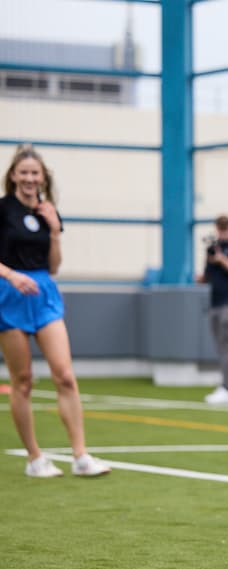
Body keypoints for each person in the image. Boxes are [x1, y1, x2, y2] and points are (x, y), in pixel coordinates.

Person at [0, 145, 110, 478]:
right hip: (9, 293)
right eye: (24, 172)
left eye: (36, 173)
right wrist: (11, 275)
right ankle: (35, 458)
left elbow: (55, 266)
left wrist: (55, 231)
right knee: (23, 381)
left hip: (44, 292)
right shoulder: (3, 209)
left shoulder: (50, 211)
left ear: (43, 177)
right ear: (14, 176)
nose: (30, 178)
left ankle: (80, 456)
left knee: (64, 374)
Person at [195, 214, 228, 405]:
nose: (222, 230)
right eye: (220, 227)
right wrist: (201, 276)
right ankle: (227, 386)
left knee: (227, 347)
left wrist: (222, 259)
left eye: (225, 227)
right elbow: (207, 277)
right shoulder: (212, 250)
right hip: (215, 304)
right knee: (221, 348)